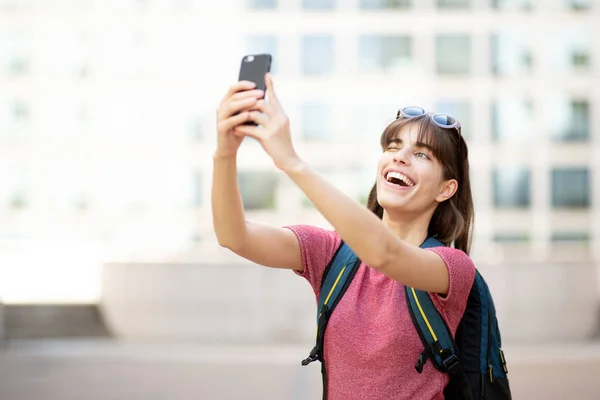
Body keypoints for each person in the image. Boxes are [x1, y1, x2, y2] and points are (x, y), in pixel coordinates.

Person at [212, 74, 476, 400]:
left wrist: (291, 162)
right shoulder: (331, 252)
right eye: (394, 146)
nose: (400, 156)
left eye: (422, 154)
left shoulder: (452, 267)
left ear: (445, 189)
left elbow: (386, 255)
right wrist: (224, 151)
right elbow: (234, 236)